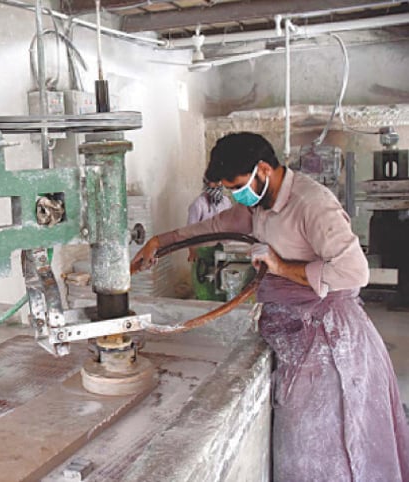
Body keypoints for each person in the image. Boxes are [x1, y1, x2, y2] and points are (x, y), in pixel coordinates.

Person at [132, 132, 409, 480]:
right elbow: (213, 226)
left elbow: (356, 271)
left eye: (237, 186)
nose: (236, 195)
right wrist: (160, 242)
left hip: (329, 338)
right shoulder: (257, 205)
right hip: (295, 329)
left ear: (262, 169)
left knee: (326, 440)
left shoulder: (312, 204)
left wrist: (281, 268)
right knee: (300, 437)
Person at [187, 178, 232, 301]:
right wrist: (192, 251)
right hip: (202, 250)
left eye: (219, 182)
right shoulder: (198, 204)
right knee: (204, 286)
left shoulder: (226, 202)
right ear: (206, 183)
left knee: (220, 286)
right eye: (214, 181)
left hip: (220, 248)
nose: (218, 184)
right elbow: (190, 231)